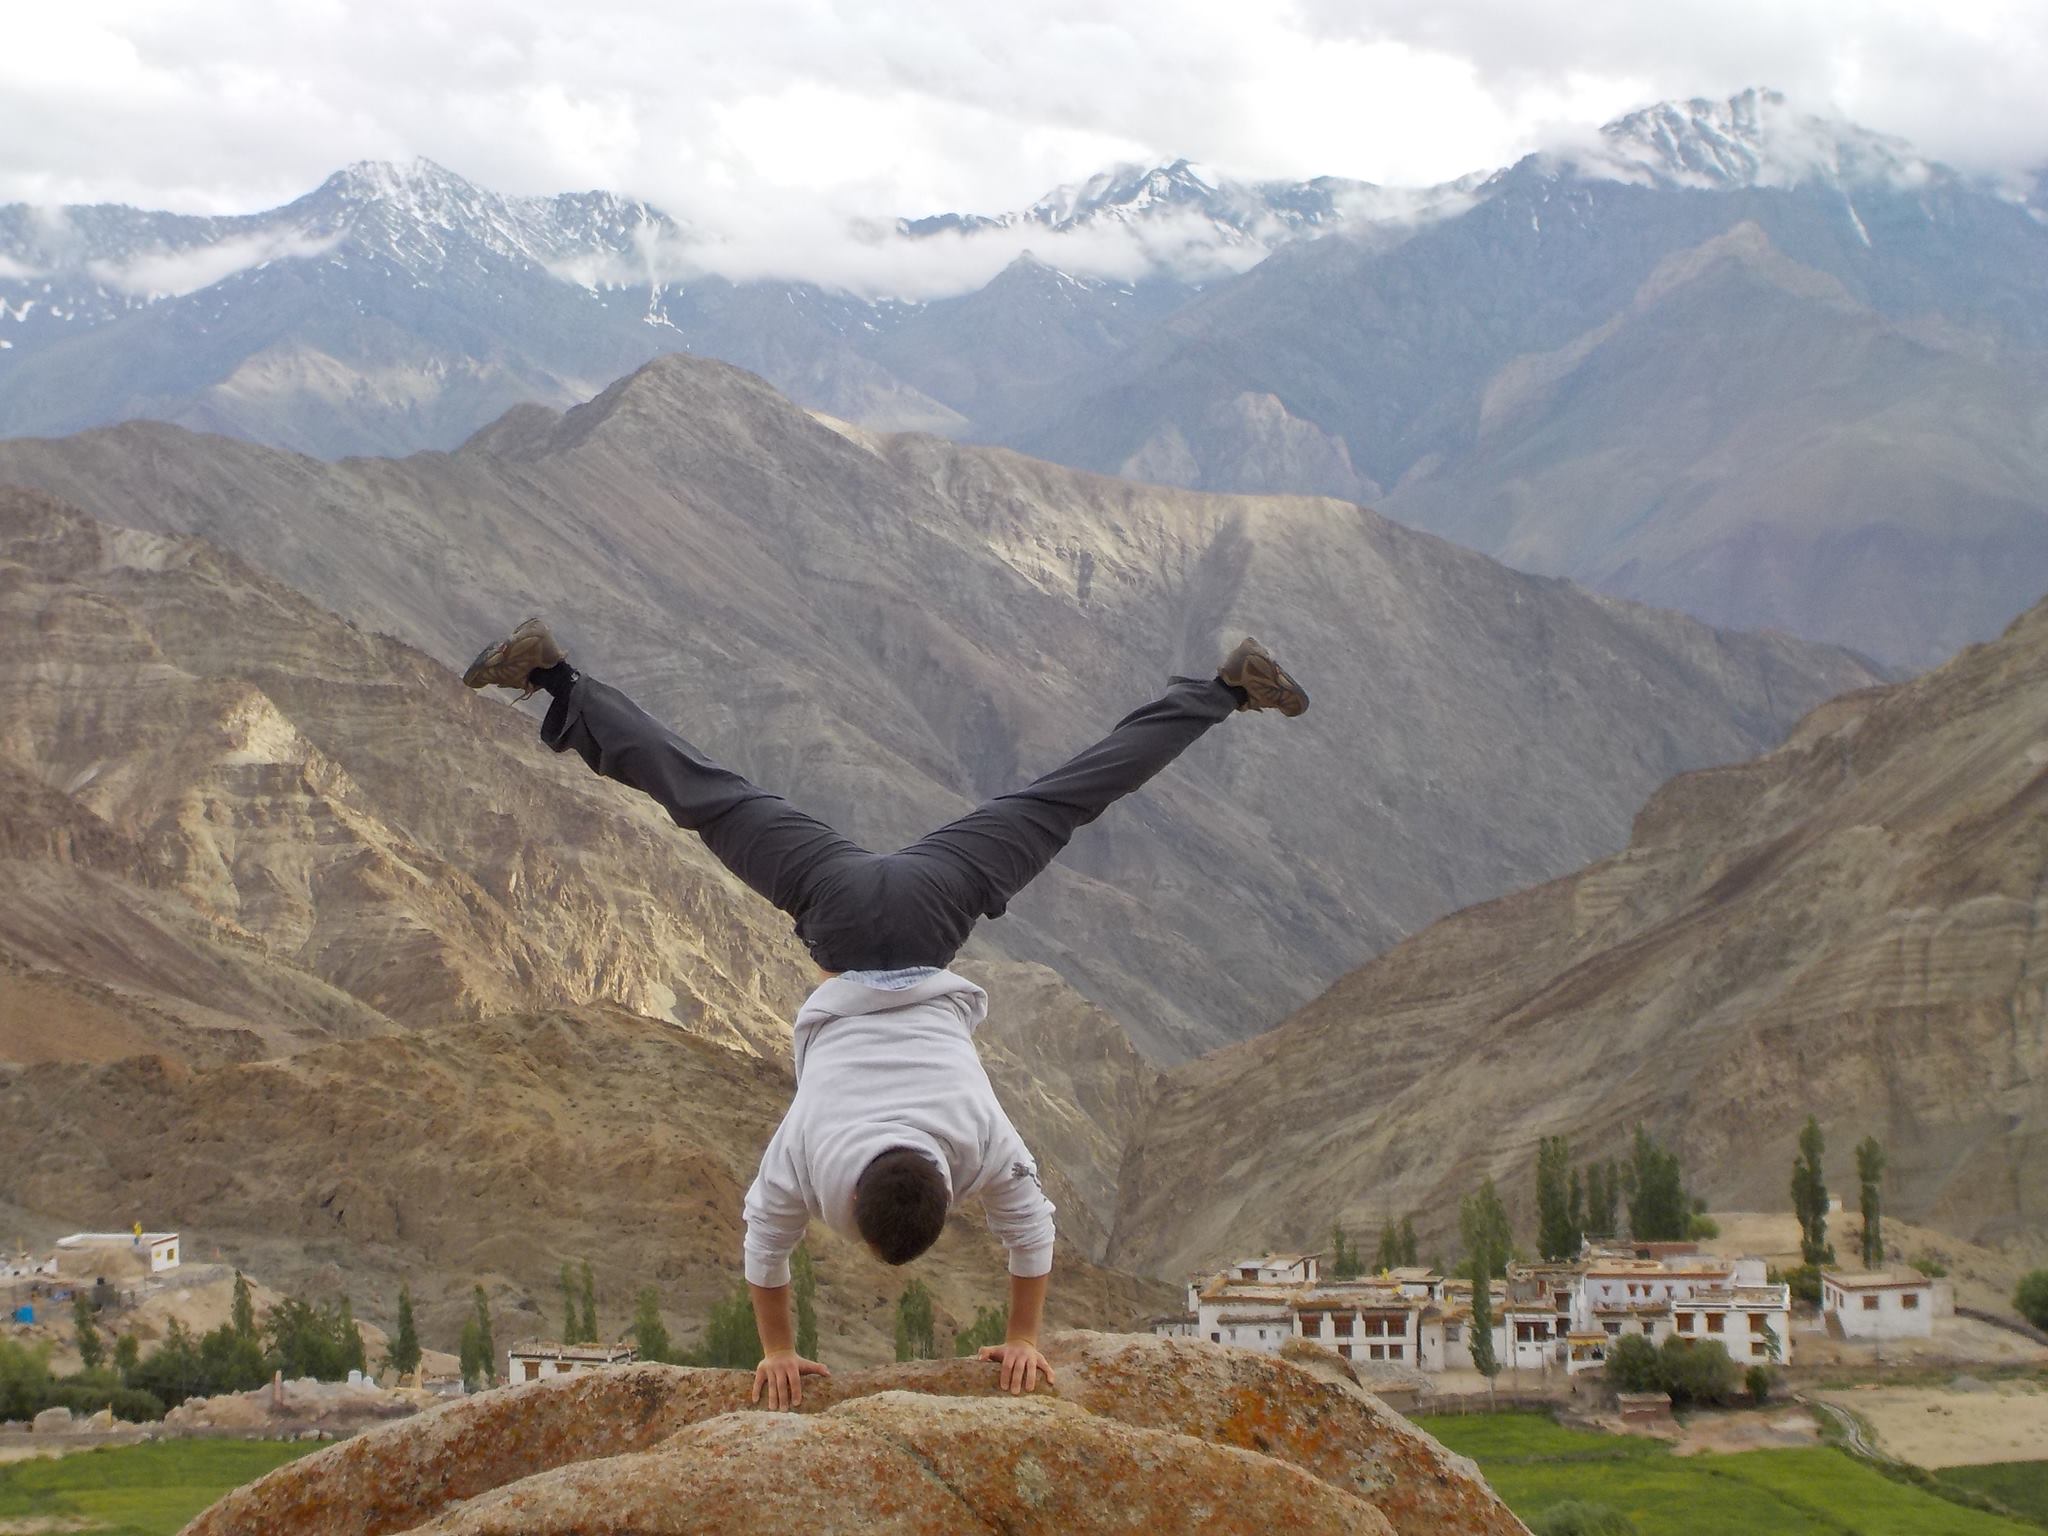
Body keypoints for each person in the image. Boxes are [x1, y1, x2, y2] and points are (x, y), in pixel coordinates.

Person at [464, 619, 1308, 1407]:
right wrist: (777, 1356)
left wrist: (1022, 1338)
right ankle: (556, 679)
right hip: (834, 905)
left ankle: (1226, 689)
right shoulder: (808, 1152)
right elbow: (763, 1251)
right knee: (707, 798)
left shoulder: (974, 1140)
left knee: (1067, 797)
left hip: (932, 904)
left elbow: (1032, 1237)